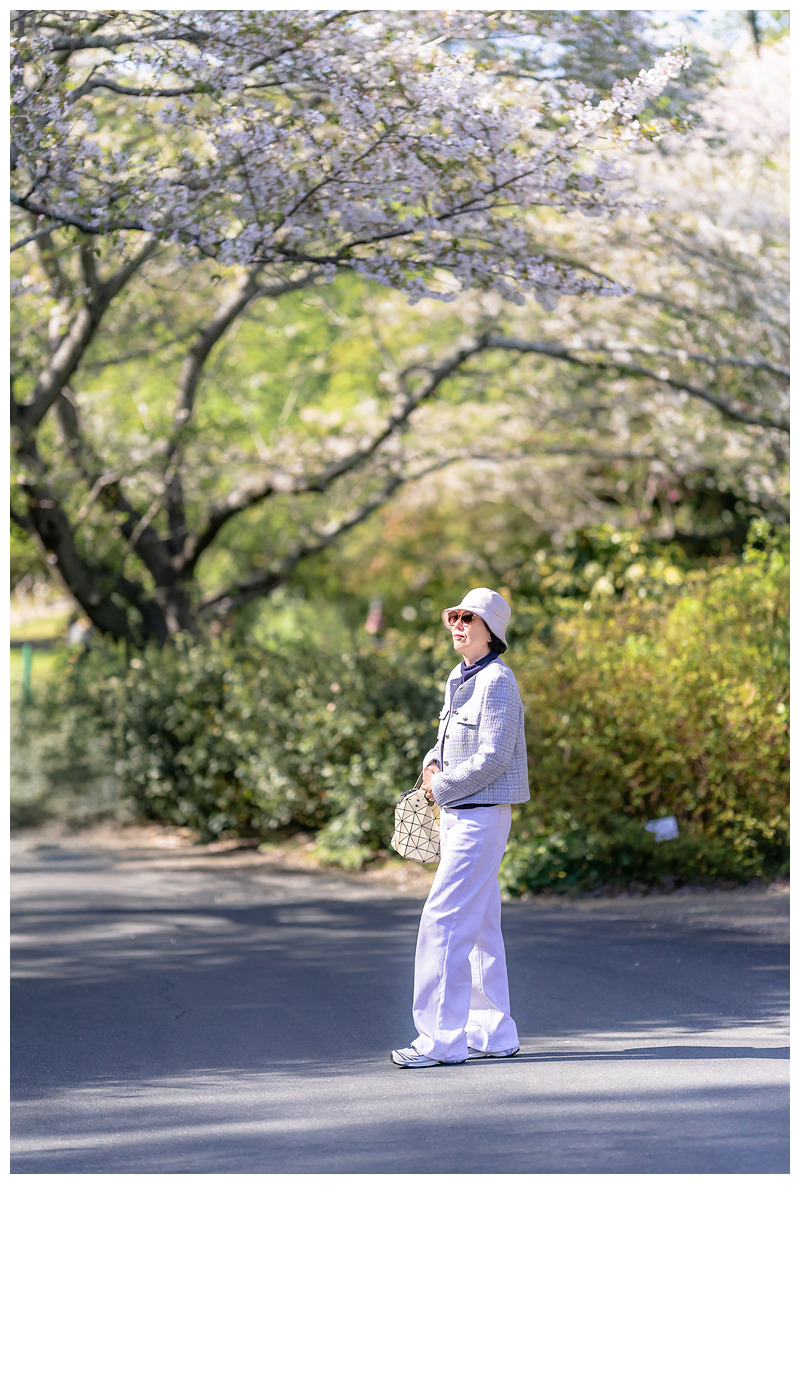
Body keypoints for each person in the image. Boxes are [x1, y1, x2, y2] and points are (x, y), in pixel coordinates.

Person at [391, 587, 530, 1068]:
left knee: (444, 919)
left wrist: (440, 787)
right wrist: (431, 763)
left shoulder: (499, 680)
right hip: (457, 814)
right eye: (454, 616)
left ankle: (439, 1040)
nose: (457, 624)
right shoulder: (459, 675)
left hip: (481, 815)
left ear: (492, 630)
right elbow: (445, 739)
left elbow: (495, 756)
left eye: (468, 618)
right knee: (481, 924)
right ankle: (492, 1032)